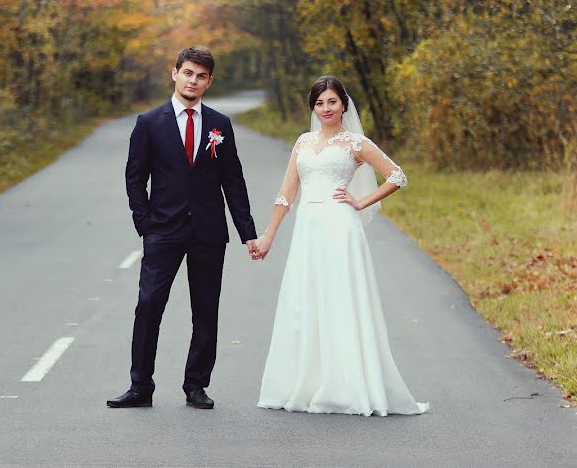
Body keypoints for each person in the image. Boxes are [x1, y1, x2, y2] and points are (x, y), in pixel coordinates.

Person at [250, 76, 429, 416]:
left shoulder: (355, 142)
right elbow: (286, 193)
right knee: (305, 303)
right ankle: (305, 383)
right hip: (307, 229)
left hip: (340, 227)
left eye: (332, 101)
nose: (326, 108)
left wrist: (361, 201)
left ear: (343, 104)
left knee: (341, 300)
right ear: (313, 108)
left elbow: (396, 175)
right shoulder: (303, 142)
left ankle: (347, 385)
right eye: (319, 103)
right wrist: (269, 235)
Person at [107, 46, 258, 410]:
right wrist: (144, 223)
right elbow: (134, 176)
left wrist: (247, 232)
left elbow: (233, 181)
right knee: (148, 305)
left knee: (205, 310)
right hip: (163, 230)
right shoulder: (149, 123)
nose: (193, 80)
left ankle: (196, 385)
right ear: (175, 74)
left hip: (208, 232)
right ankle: (140, 385)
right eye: (188, 73)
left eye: (201, 76)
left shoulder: (220, 125)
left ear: (209, 82)